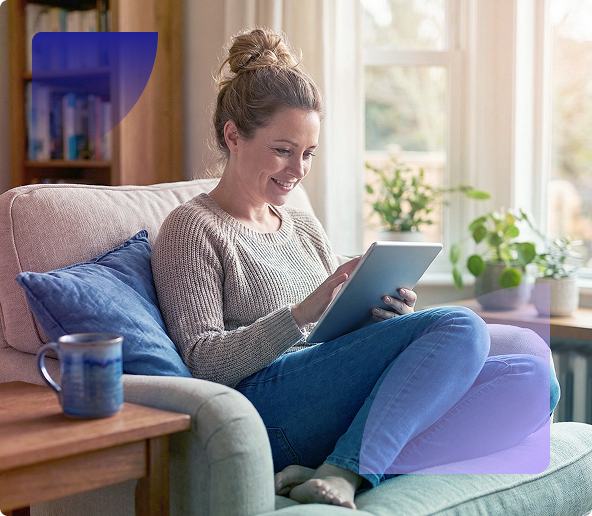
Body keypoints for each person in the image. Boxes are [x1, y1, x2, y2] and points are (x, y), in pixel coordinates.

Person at [152, 27, 559, 510]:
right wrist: (300, 313)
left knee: (534, 383)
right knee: (463, 326)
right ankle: (348, 470)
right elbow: (203, 364)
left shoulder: (302, 226)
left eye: (308, 154)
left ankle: (347, 463)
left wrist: (380, 317)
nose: (298, 169)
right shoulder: (191, 228)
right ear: (234, 135)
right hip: (267, 404)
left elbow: (338, 342)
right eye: (283, 150)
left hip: (333, 396)